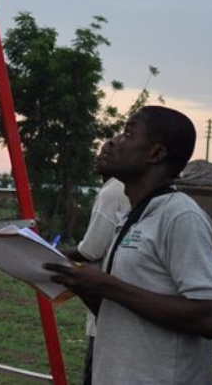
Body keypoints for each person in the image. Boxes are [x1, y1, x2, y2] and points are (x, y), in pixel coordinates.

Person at [44, 106, 212, 384]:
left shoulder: (181, 216)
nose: (113, 141)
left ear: (156, 153)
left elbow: (207, 317)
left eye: (128, 133)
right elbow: (117, 310)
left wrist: (105, 285)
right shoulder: (132, 216)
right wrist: (82, 286)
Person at [66, 141, 129, 385]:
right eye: (100, 151)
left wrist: (49, 252)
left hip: (106, 300)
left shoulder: (112, 192)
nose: (100, 156)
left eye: (108, 152)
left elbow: (91, 250)